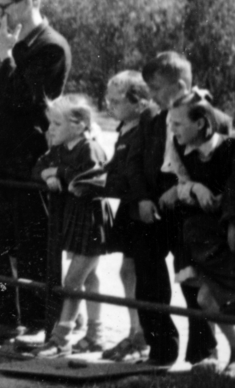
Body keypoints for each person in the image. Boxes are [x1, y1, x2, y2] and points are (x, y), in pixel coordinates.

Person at [0, 0, 70, 344]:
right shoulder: (12, 43)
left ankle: (38, 325)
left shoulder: (51, 46)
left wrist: (6, 59)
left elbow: (30, 103)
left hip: (28, 160)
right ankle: (0, 319)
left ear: (29, 0)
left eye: (5, 5)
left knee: (31, 246)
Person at [141, 52, 214, 365]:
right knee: (148, 277)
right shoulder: (155, 120)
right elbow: (138, 160)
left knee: (192, 282)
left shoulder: (206, 118)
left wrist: (183, 191)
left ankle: (203, 354)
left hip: (190, 215)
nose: (153, 96)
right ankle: (160, 347)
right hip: (156, 211)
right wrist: (143, 196)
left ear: (181, 84)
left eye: (157, 88)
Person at [82, 72, 158, 360]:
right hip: (129, 206)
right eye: (108, 100)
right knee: (127, 271)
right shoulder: (126, 124)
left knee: (141, 273)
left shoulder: (148, 125)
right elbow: (117, 165)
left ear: (138, 102)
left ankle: (143, 335)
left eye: (116, 100)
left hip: (142, 206)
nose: (110, 105)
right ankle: (136, 332)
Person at [157, 93, 235, 368]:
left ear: (201, 123)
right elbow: (181, 183)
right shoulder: (182, 149)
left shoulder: (229, 149)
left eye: (178, 123)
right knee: (205, 298)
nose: (173, 130)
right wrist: (191, 188)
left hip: (228, 234)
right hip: (204, 237)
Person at [28, 96, 110, 356]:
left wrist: (58, 173)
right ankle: (95, 334)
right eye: (50, 122)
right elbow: (38, 167)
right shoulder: (60, 148)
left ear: (79, 125)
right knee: (89, 277)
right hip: (73, 218)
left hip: (90, 219)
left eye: (57, 123)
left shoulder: (89, 148)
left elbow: (89, 179)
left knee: (72, 280)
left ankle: (61, 338)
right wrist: (46, 173)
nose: (50, 128)